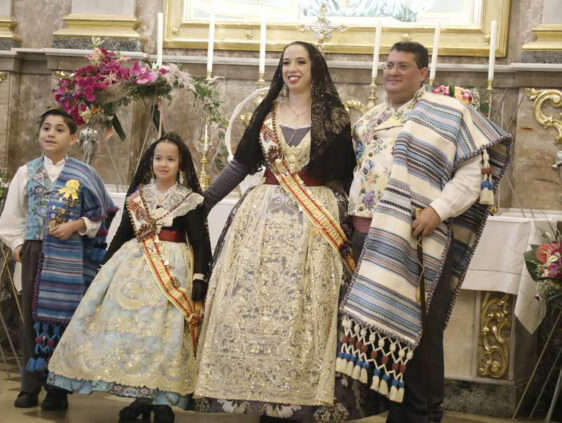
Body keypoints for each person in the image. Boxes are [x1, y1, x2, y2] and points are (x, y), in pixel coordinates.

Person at [195, 41, 381, 423]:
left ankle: (305, 402)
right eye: (286, 63)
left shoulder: (332, 115)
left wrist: (350, 217)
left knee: (307, 309)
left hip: (315, 223)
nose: (291, 68)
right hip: (260, 219)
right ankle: (264, 398)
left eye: (300, 62)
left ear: (315, 68)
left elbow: (347, 175)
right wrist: (203, 203)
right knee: (256, 305)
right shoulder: (267, 112)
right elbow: (241, 165)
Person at [336, 41, 513, 423]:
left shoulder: (447, 113)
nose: (393, 72)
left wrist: (438, 209)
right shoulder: (368, 120)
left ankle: (423, 412)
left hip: (416, 235)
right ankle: (390, 409)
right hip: (365, 237)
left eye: (403, 66)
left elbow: (473, 173)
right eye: (388, 65)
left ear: (422, 74)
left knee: (419, 328)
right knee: (381, 322)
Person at [46, 132, 211, 423]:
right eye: (158, 158)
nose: (163, 164)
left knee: (163, 337)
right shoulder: (137, 197)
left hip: (173, 272)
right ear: (151, 161)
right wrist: (105, 267)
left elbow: (200, 240)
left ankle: (162, 400)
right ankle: (140, 397)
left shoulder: (190, 199)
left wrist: (200, 276)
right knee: (137, 336)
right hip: (133, 268)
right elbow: (124, 233)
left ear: (180, 164)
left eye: (170, 159)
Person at [0, 108, 117, 410]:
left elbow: (101, 213)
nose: (50, 133)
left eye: (59, 129)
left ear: (73, 137)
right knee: (31, 320)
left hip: (68, 257)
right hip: (35, 252)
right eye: (46, 127)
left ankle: (57, 388)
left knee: (64, 322)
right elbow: (12, 215)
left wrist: (75, 226)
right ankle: (29, 386)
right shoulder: (27, 172)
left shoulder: (84, 174)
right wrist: (17, 244)